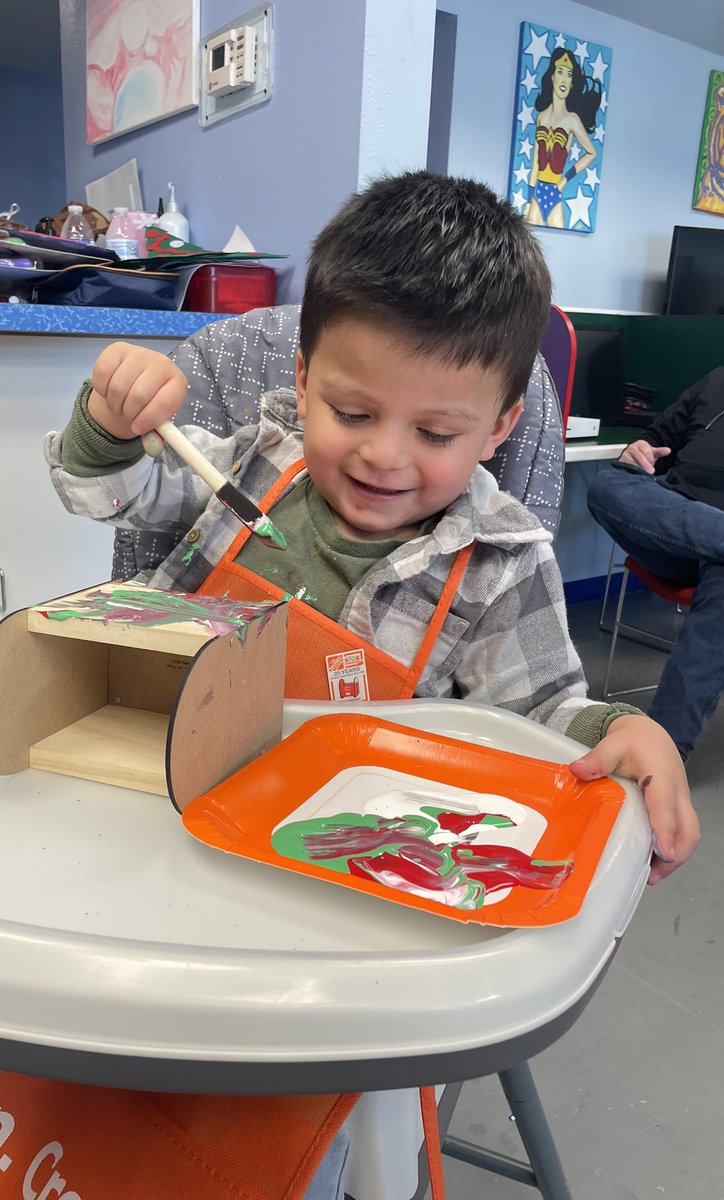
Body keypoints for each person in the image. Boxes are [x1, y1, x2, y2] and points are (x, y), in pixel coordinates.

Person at [42, 170, 697, 1198]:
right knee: (66, 1080)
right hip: (146, 825)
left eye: (437, 434)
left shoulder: (502, 560)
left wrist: (621, 730)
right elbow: (101, 485)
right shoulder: (257, 460)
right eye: (351, 411)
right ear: (303, 381)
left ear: (499, 424)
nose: (387, 457)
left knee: (286, 1142)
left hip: (328, 907)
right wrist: (115, 419)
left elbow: (542, 720)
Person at [587, 367, 724, 763]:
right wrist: (640, 449)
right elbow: (656, 441)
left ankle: (661, 754)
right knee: (608, 484)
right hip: (671, 532)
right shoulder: (715, 381)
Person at [525, 46, 603, 228]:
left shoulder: (572, 120)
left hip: (555, 190)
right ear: (552, 76)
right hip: (538, 191)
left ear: (572, 83)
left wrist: (564, 180)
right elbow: (536, 161)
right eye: (560, 72)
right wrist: (528, 200)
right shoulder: (542, 117)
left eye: (569, 75)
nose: (564, 79)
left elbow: (591, 153)